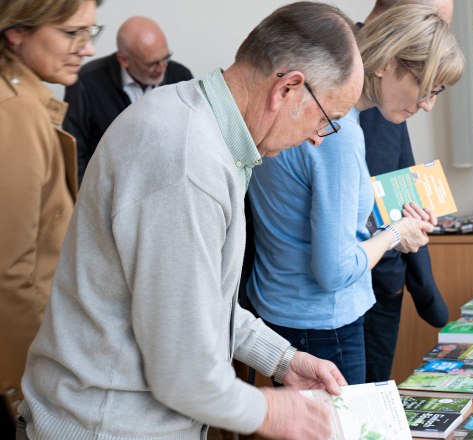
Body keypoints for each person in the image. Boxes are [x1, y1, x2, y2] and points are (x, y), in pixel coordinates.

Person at [19, 2, 365, 439]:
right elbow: (183, 369)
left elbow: (198, 304)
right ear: (288, 90)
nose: (317, 139)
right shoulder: (187, 163)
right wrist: (273, 411)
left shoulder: (195, 120)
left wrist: (282, 359)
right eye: (327, 120)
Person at [245, 3, 464, 385]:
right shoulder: (339, 133)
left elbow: (302, 211)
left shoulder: (313, 109)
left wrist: (388, 223)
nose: (428, 105)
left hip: (283, 307)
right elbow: (334, 271)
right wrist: (395, 235)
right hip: (323, 321)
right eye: (426, 89)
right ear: (387, 64)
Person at [0, 0, 102, 407]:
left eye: (90, 33)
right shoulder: (15, 115)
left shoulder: (24, 102)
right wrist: (25, 389)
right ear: (16, 32)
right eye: (71, 33)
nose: (88, 48)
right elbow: (9, 277)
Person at [360, 0, 454, 383]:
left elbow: (402, 172)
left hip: (385, 272)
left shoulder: (395, 97)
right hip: (340, 286)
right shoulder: (344, 72)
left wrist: (420, 279)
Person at [64, 16, 193, 185]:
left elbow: (191, 140)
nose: (162, 68)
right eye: (152, 64)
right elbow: (74, 152)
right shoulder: (85, 83)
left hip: (163, 188)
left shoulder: (180, 77)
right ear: (124, 60)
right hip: (106, 190)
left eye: (166, 58)